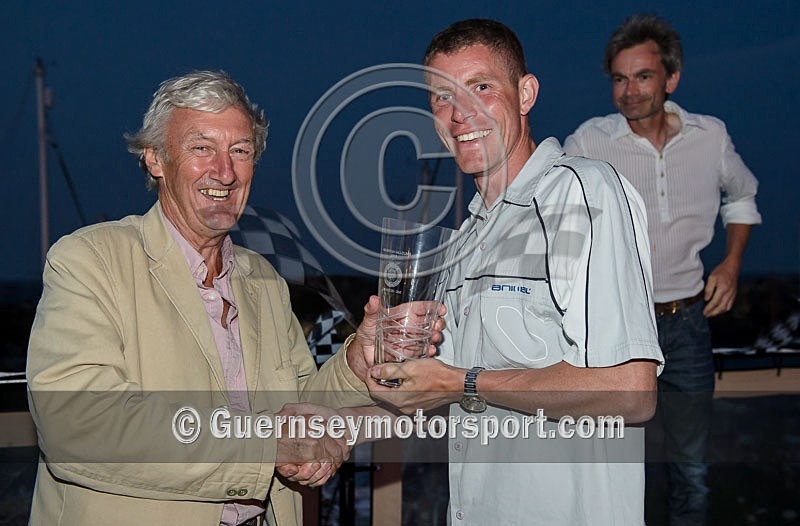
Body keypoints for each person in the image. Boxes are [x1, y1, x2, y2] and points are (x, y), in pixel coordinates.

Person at [25, 71, 390, 526]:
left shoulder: (263, 280)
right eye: (202, 148)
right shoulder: (90, 259)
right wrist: (264, 446)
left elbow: (298, 410)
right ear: (155, 158)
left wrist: (354, 365)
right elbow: (77, 425)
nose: (225, 170)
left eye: (240, 151)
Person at [368, 19, 664, 525]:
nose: (460, 114)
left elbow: (631, 390)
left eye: (481, 87)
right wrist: (338, 422)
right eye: (441, 98)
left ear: (525, 94)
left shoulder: (581, 195)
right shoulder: (463, 241)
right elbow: (436, 390)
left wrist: (463, 383)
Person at [563, 14, 761, 525]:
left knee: (690, 468)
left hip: (688, 325)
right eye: (619, 78)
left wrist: (732, 265)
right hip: (618, 331)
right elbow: (555, 218)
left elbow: (741, 196)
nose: (629, 91)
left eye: (643, 76)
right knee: (614, 465)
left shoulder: (709, 136)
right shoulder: (589, 142)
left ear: (671, 79)